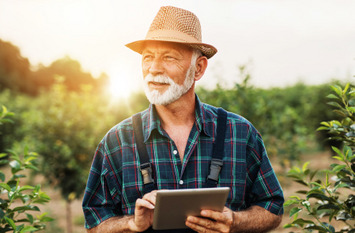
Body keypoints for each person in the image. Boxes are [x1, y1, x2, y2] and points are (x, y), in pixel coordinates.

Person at [82, 5, 284, 233]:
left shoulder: (240, 133)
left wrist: (235, 221)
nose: (154, 68)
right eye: (148, 57)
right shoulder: (116, 142)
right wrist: (131, 224)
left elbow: (272, 208)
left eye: (169, 57)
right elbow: (95, 223)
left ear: (198, 68)